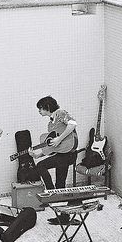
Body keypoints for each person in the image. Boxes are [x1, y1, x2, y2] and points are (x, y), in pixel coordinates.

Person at [29, 96, 78, 225]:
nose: (39, 111)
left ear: (47, 107)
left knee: (41, 167)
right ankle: (63, 217)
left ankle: (51, 193)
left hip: (68, 154)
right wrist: (37, 155)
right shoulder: (51, 124)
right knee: (60, 184)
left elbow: (73, 124)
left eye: (40, 108)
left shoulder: (61, 113)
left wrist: (59, 139)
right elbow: (52, 148)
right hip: (62, 154)